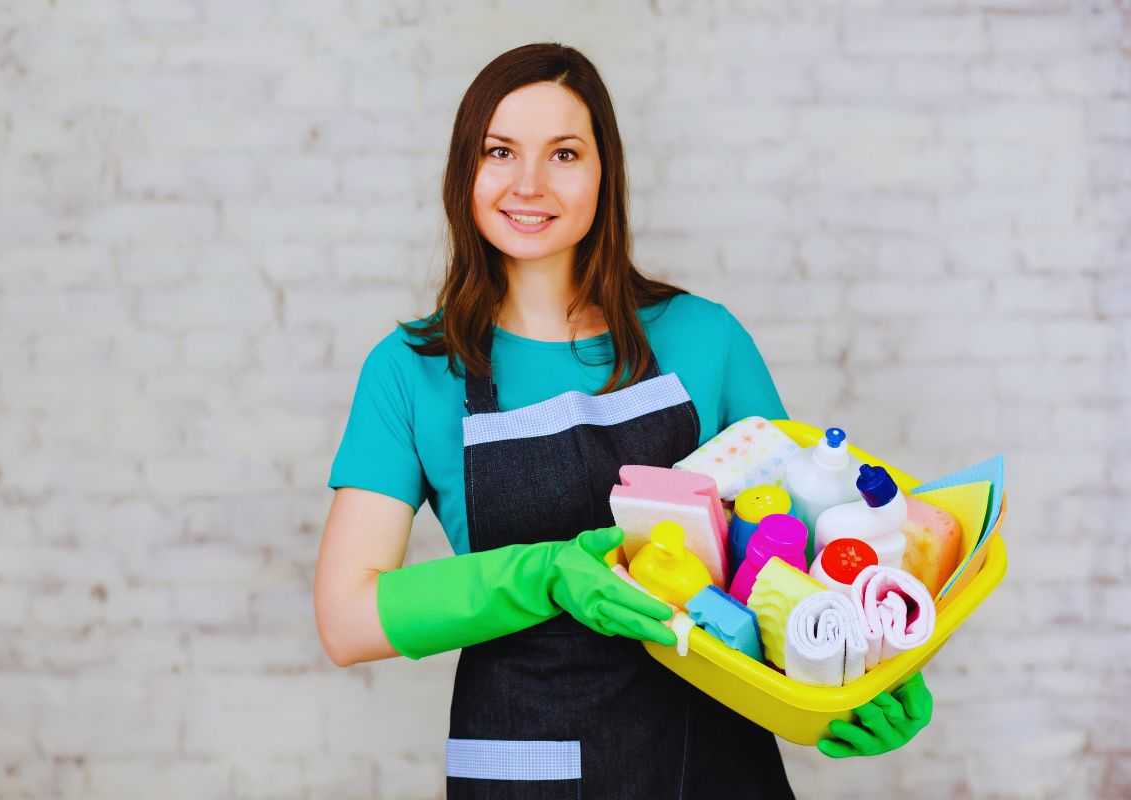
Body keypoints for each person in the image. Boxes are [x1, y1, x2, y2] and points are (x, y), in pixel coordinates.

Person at [314, 42, 932, 799]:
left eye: (564, 153)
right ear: (463, 172)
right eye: (500, 151)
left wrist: (856, 677)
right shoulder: (412, 370)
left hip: (711, 763)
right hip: (527, 769)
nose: (529, 184)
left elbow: (790, 559)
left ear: (604, 171)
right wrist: (545, 575)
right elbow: (347, 618)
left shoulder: (704, 339)